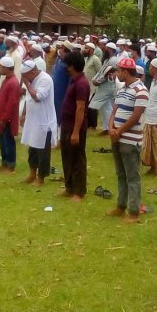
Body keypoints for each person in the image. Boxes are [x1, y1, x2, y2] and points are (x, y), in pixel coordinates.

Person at [108, 57, 149, 224]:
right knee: (120, 173)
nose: (117, 74)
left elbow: (136, 115)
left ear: (125, 72)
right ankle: (121, 205)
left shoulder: (141, 90)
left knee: (132, 176)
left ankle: (133, 211)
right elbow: (114, 111)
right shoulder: (122, 89)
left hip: (130, 139)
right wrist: (111, 128)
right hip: (118, 136)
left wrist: (119, 130)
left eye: (119, 71)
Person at [59, 51, 90, 200]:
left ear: (73, 66)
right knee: (67, 157)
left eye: (67, 65)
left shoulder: (82, 84)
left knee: (77, 159)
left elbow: (80, 108)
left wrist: (76, 132)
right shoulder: (74, 80)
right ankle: (69, 186)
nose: (65, 68)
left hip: (74, 126)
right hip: (66, 125)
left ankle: (79, 191)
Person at [19, 58, 56, 183]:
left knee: (42, 151)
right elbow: (28, 98)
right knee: (32, 148)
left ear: (33, 72)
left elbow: (37, 97)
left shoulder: (45, 79)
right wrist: (23, 114)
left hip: (43, 121)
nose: (24, 79)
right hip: (32, 119)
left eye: (25, 76)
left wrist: (27, 84)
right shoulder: (32, 79)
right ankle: (32, 174)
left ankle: (41, 178)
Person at [0, 56, 21, 172]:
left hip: (7, 118)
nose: (0, 70)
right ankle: (4, 163)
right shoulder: (7, 80)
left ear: (7, 68)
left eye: (1, 68)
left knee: (8, 141)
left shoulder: (13, 82)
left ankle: (10, 165)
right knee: (2, 141)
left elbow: (12, 103)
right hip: (2, 116)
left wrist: (5, 118)